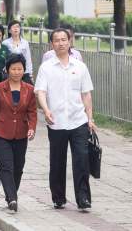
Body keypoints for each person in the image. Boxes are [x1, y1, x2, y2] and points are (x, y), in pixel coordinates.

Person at [34, 28, 96, 211]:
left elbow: (86, 94)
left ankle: (83, 198)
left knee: (81, 160)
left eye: (64, 39)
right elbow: (41, 92)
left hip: (79, 121)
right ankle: (58, 197)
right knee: (57, 161)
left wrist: (90, 118)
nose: (61, 43)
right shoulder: (46, 67)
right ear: (51, 44)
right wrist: (46, 110)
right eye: (57, 40)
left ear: (70, 42)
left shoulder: (80, 66)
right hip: (57, 122)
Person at [0, 53, 37, 212]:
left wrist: (31, 128)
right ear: (7, 70)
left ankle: (10, 195)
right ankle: (13, 198)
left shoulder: (29, 90)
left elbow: (32, 112)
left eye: (19, 69)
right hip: (2, 134)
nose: (16, 72)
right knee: (6, 166)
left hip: (21, 134)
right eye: (13, 69)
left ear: (24, 70)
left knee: (18, 167)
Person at [2, 20, 34, 84]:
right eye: (13, 27)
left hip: (23, 71)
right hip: (10, 71)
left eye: (17, 27)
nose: (16, 28)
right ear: (9, 31)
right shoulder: (5, 43)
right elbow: (3, 59)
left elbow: (28, 58)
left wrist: (30, 73)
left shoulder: (25, 43)